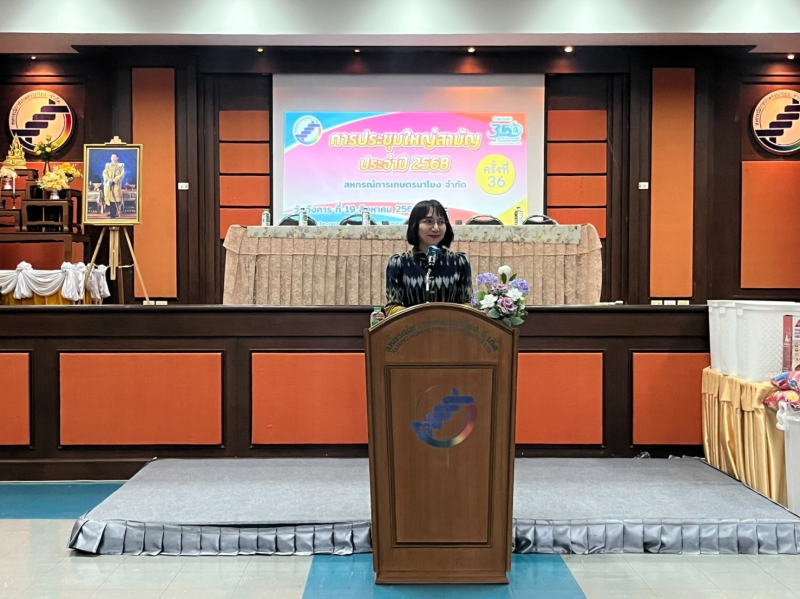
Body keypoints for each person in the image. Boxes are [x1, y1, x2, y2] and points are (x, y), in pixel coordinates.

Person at [383, 199, 473, 317]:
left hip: (451, 326)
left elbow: (467, 304)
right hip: (413, 327)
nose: (436, 228)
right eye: (428, 221)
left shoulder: (459, 261)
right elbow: (392, 307)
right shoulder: (399, 263)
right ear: (415, 225)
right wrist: (422, 318)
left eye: (441, 222)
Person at [103, 153, 125, 218]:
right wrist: (108, 179)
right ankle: (111, 212)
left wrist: (114, 180)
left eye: (114, 157)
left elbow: (121, 174)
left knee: (115, 198)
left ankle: (114, 214)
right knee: (109, 198)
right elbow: (104, 173)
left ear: (117, 158)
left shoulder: (120, 166)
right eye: (112, 157)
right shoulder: (108, 165)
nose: (113, 158)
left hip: (116, 184)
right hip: (109, 184)